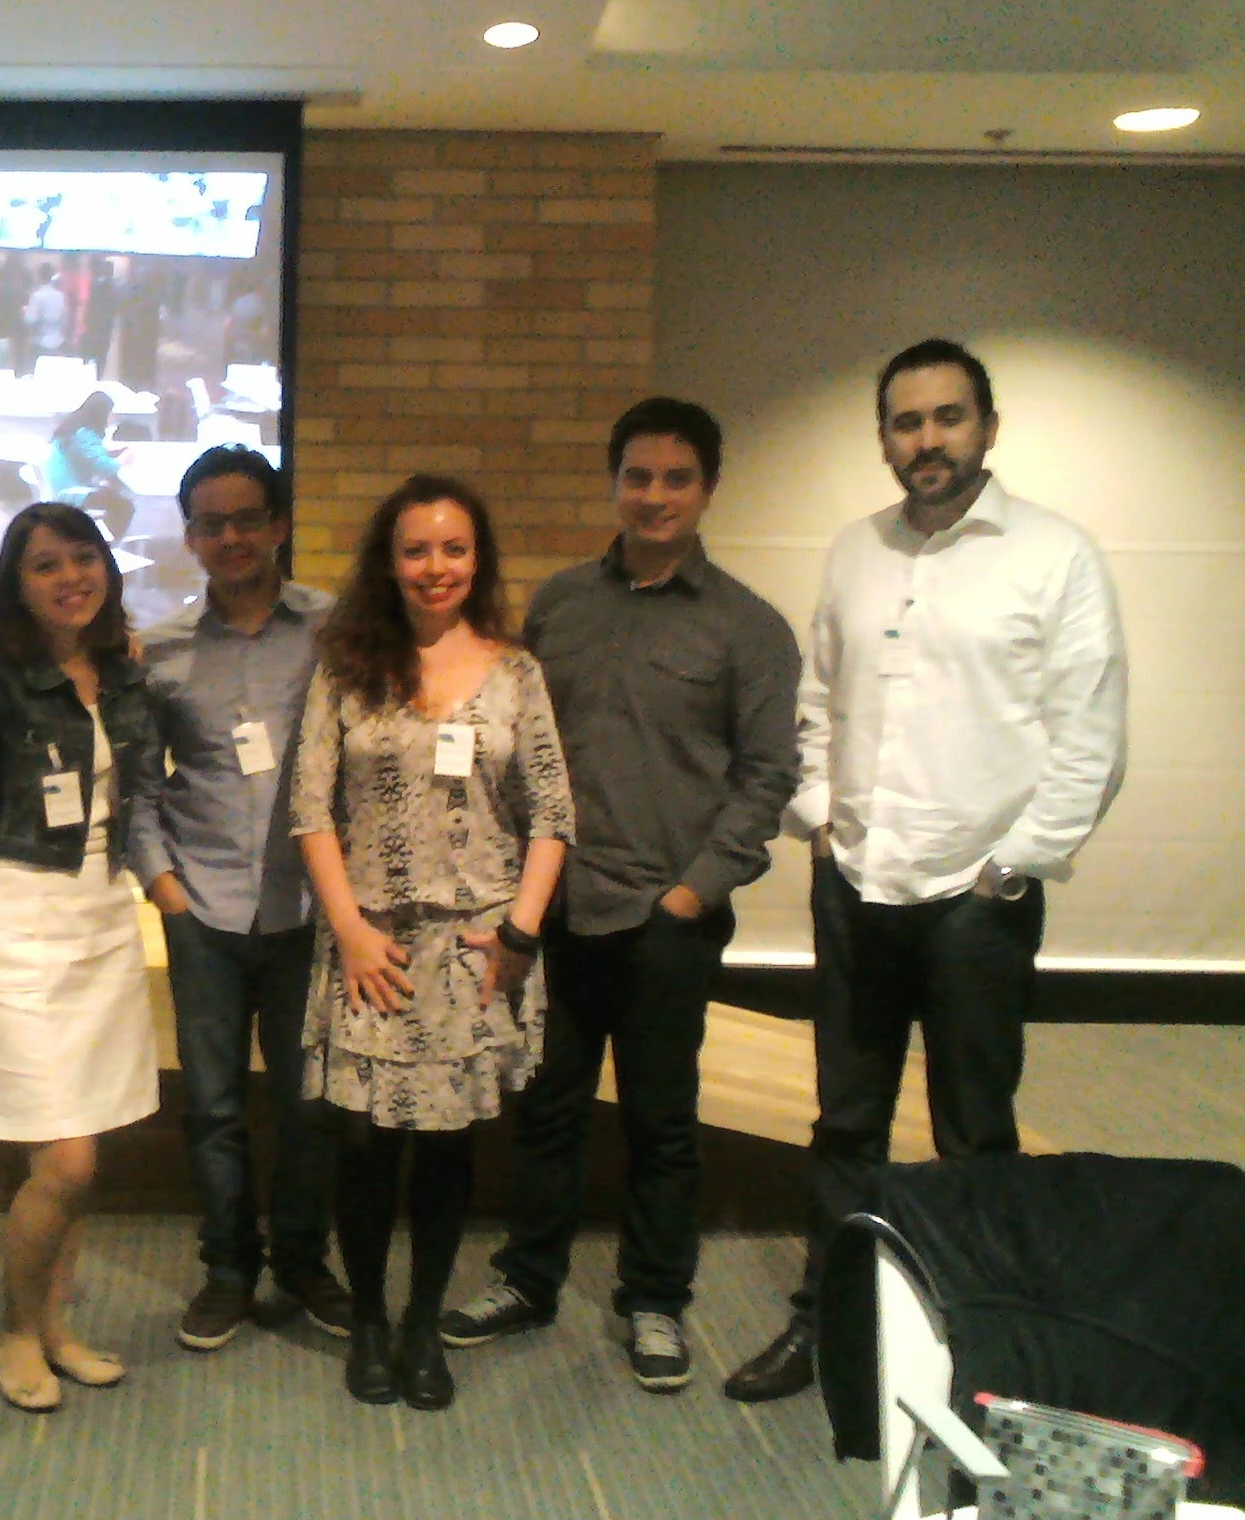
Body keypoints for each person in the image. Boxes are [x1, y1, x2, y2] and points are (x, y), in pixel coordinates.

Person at [724, 339, 1130, 1403]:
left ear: (987, 427)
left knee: (972, 1131)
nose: (927, 440)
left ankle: (979, 1340)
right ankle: (832, 1322)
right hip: (855, 883)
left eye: (948, 417)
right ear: (884, 440)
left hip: (973, 900)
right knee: (844, 1125)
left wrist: (1012, 868)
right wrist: (818, 819)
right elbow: (818, 700)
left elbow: (1088, 738)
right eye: (906, 422)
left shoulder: (1053, 556)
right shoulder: (855, 551)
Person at [439, 399, 800, 1392]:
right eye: (637, 476)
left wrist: (693, 894)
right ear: (613, 483)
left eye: (676, 479)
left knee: (661, 1121)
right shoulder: (560, 605)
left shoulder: (748, 627)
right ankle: (528, 1279)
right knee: (548, 1107)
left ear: (707, 489)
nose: (654, 496)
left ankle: (654, 1299)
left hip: (662, 920)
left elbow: (766, 776)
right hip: (553, 912)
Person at [292, 475, 573, 1412]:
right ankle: (369, 1322)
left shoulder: (516, 673)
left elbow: (552, 814)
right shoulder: (346, 667)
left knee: (449, 1151)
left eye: (454, 548)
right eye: (416, 549)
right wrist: (349, 932)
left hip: (474, 952)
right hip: (371, 949)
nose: (435, 566)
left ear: (477, 559)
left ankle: (422, 1325)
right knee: (367, 1148)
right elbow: (309, 809)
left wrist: (522, 932)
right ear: (389, 560)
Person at [0, 502, 164, 1413]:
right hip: (16, 923)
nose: (71, 577)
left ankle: (56, 1326)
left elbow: (140, 796)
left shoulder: (124, 674)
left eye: (83, 557)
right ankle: (17, 1332)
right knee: (64, 1163)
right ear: (15, 584)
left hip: (101, 917)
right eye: (45, 565)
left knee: (82, 1152)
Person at [130, 446, 352, 1353]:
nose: (231, 538)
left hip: (310, 911)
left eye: (247, 519)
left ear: (278, 525)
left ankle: (302, 1262)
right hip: (205, 909)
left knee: (309, 1103)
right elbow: (141, 785)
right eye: (211, 524)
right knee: (214, 1107)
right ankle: (228, 1268)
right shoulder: (163, 651)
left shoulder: (334, 632)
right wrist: (165, 889)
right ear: (190, 537)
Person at [42, 391, 130, 534]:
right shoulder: (84, 433)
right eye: (110, 412)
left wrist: (113, 453)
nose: (112, 416)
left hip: (61, 485)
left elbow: (89, 455)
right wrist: (123, 460)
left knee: (113, 493)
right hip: (71, 491)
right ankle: (108, 543)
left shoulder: (75, 427)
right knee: (124, 506)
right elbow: (104, 467)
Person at [22, 263, 69, 369]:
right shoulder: (60, 295)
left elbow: (30, 320)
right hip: (57, 341)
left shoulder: (37, 296)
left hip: (39, 342)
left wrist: (24, 312)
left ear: (39, 276)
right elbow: (65, 318)